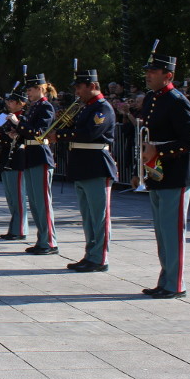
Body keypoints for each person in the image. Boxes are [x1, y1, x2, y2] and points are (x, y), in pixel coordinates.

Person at [138, 47, 190, 298]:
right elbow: (147, 139)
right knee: (162, 232)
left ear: (168, 75)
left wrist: (159, 153)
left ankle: (175, 284)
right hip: (156, 172)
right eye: (148, 71)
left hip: (175, 173)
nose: (148, 75)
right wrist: (141, 169)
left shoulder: (176, 100)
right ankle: (165, 280)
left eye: (154, 71)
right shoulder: (153, 98)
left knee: (173, 231)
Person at [51, 68, 117, 272]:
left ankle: (100, 258)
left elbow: (90, 133)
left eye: (80, 87)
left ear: (93, 86)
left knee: (99, 216)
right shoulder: (86, 107)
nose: (77, 91)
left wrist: (60, 135)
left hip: (97, 165)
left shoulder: (102, 108)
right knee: (88, 216)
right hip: (83, 164)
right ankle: (90, 254)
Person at [14, 73, 58, 254]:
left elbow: (39, 131)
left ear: (40, 88)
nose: (28, 93)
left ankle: (49, 241)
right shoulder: (34, 107)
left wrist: (19, 123)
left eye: (30, 89)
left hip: (40, 154)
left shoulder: (46, 107)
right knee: (34, 201)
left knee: (43, 202)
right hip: (31, 155)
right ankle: (42, 239)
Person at [0, 85, 27, 240]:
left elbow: (19, 136)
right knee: (10, 196)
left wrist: (0, 136)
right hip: (5, 156)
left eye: (12, 101)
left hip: (18, 157)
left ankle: (19, 229)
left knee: (18, 196)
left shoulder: (23, 116)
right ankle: (14, 227)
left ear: (21, 103)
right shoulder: (5, 115)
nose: (9, 103)